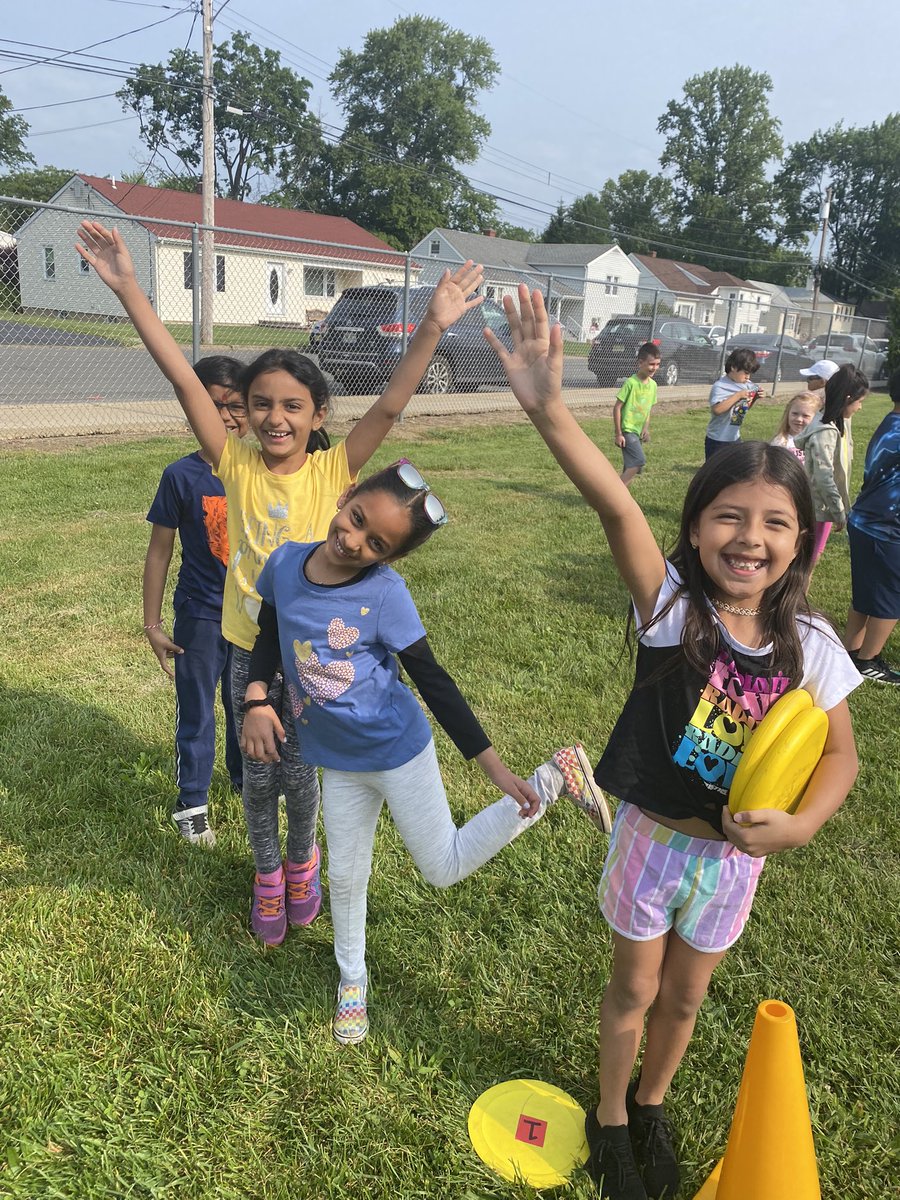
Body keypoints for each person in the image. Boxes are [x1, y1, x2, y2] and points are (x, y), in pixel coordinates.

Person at [484, 286, 860, 1200]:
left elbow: (840, 754)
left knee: (687, 999)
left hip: (733, 864)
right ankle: (612, 1115)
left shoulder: (812, 644)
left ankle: (652, 1103)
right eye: (729, 516)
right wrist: (548, 408)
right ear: (695, 527)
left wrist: (804, 823)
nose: (750, 538)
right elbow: (616, 506)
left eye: (775, 523)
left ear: (801, 543)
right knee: (634, 991)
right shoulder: (671, 610)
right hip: (653, 842)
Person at [76, 218, 486, 942]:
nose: (275, 417)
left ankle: (303, 865)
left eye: (293, 406)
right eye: (261, 403)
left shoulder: (335, 470)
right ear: (242, 412)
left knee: (300, 775)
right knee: (258, 774)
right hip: (248, 646)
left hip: (313, 657)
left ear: (317, 415)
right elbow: (182, 377)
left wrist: (431, 327)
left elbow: (391, 404)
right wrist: (130, 289)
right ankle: (269, 878)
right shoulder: (232, 461)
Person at [239, 460, 608, 1042]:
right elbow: (268, 635)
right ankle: (352, 981)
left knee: (443, 866)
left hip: (397, 752)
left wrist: (492, 766)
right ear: (347, 495)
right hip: (337, 762)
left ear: (391, 557)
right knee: (346, 877)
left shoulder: (385, 594)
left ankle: (553, 778)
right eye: (356, 518)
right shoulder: (285, 563)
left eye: (376, 544)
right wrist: (257, 698)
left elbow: (432, 681)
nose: (353, 540)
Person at [143, 355, 248, 845]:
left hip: (253, 617)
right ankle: (192, 804)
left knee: (247, 704)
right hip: (200, 614)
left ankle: (248, 783)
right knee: (198, 709)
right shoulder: (180, 476)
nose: (225, 416)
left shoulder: (264, 472)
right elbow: (159, 551)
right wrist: (152, 624)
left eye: (236, 405)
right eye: (212, 404)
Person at [843, 367, 900, 685]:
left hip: (866, 522)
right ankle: (868, 660)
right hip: (886, 528)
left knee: (866, 594)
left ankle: (851, 651)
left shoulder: (890, 423)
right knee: (891, 597)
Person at [794, 364, 868, 563]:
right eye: (860, 402)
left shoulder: (841, 422)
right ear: (847, 399)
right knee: (806, 557)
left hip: (823, 505)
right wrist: (839, 511)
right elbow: (823, 476)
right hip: (816, 506)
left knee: (813, 554)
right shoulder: (825, 432)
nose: (860, 407)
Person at [613, 343, 661, 487]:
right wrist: (618, 434)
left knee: (630, 466)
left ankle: (620, 496)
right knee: (638, 461)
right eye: (651, 364)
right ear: (640, 363)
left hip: (637, 432)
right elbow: (617, 408)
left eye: (657, 364)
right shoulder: (631, 383)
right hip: (628, 430)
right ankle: (614, 492)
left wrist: (645, 429)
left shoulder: (653, 386)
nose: (654, 368)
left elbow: (648, 410)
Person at [704, 348, 762, 460]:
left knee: (735, 468)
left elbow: (742, 409)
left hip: (735, 437)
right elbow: (717, 410)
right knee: (716, 469)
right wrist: (737, 396)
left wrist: (755, 397)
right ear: (734, 367)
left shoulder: (747, 385)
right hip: (718, 439)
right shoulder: (720, 386)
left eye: (750, 373)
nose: (748, 377)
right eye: (746, 373)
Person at [769, 390, 821, 462]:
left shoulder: (818, 440)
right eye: (795, 414)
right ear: (788, 413)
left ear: (816, 418)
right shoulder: (781, 442)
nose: (799, 419)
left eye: (805, 416)